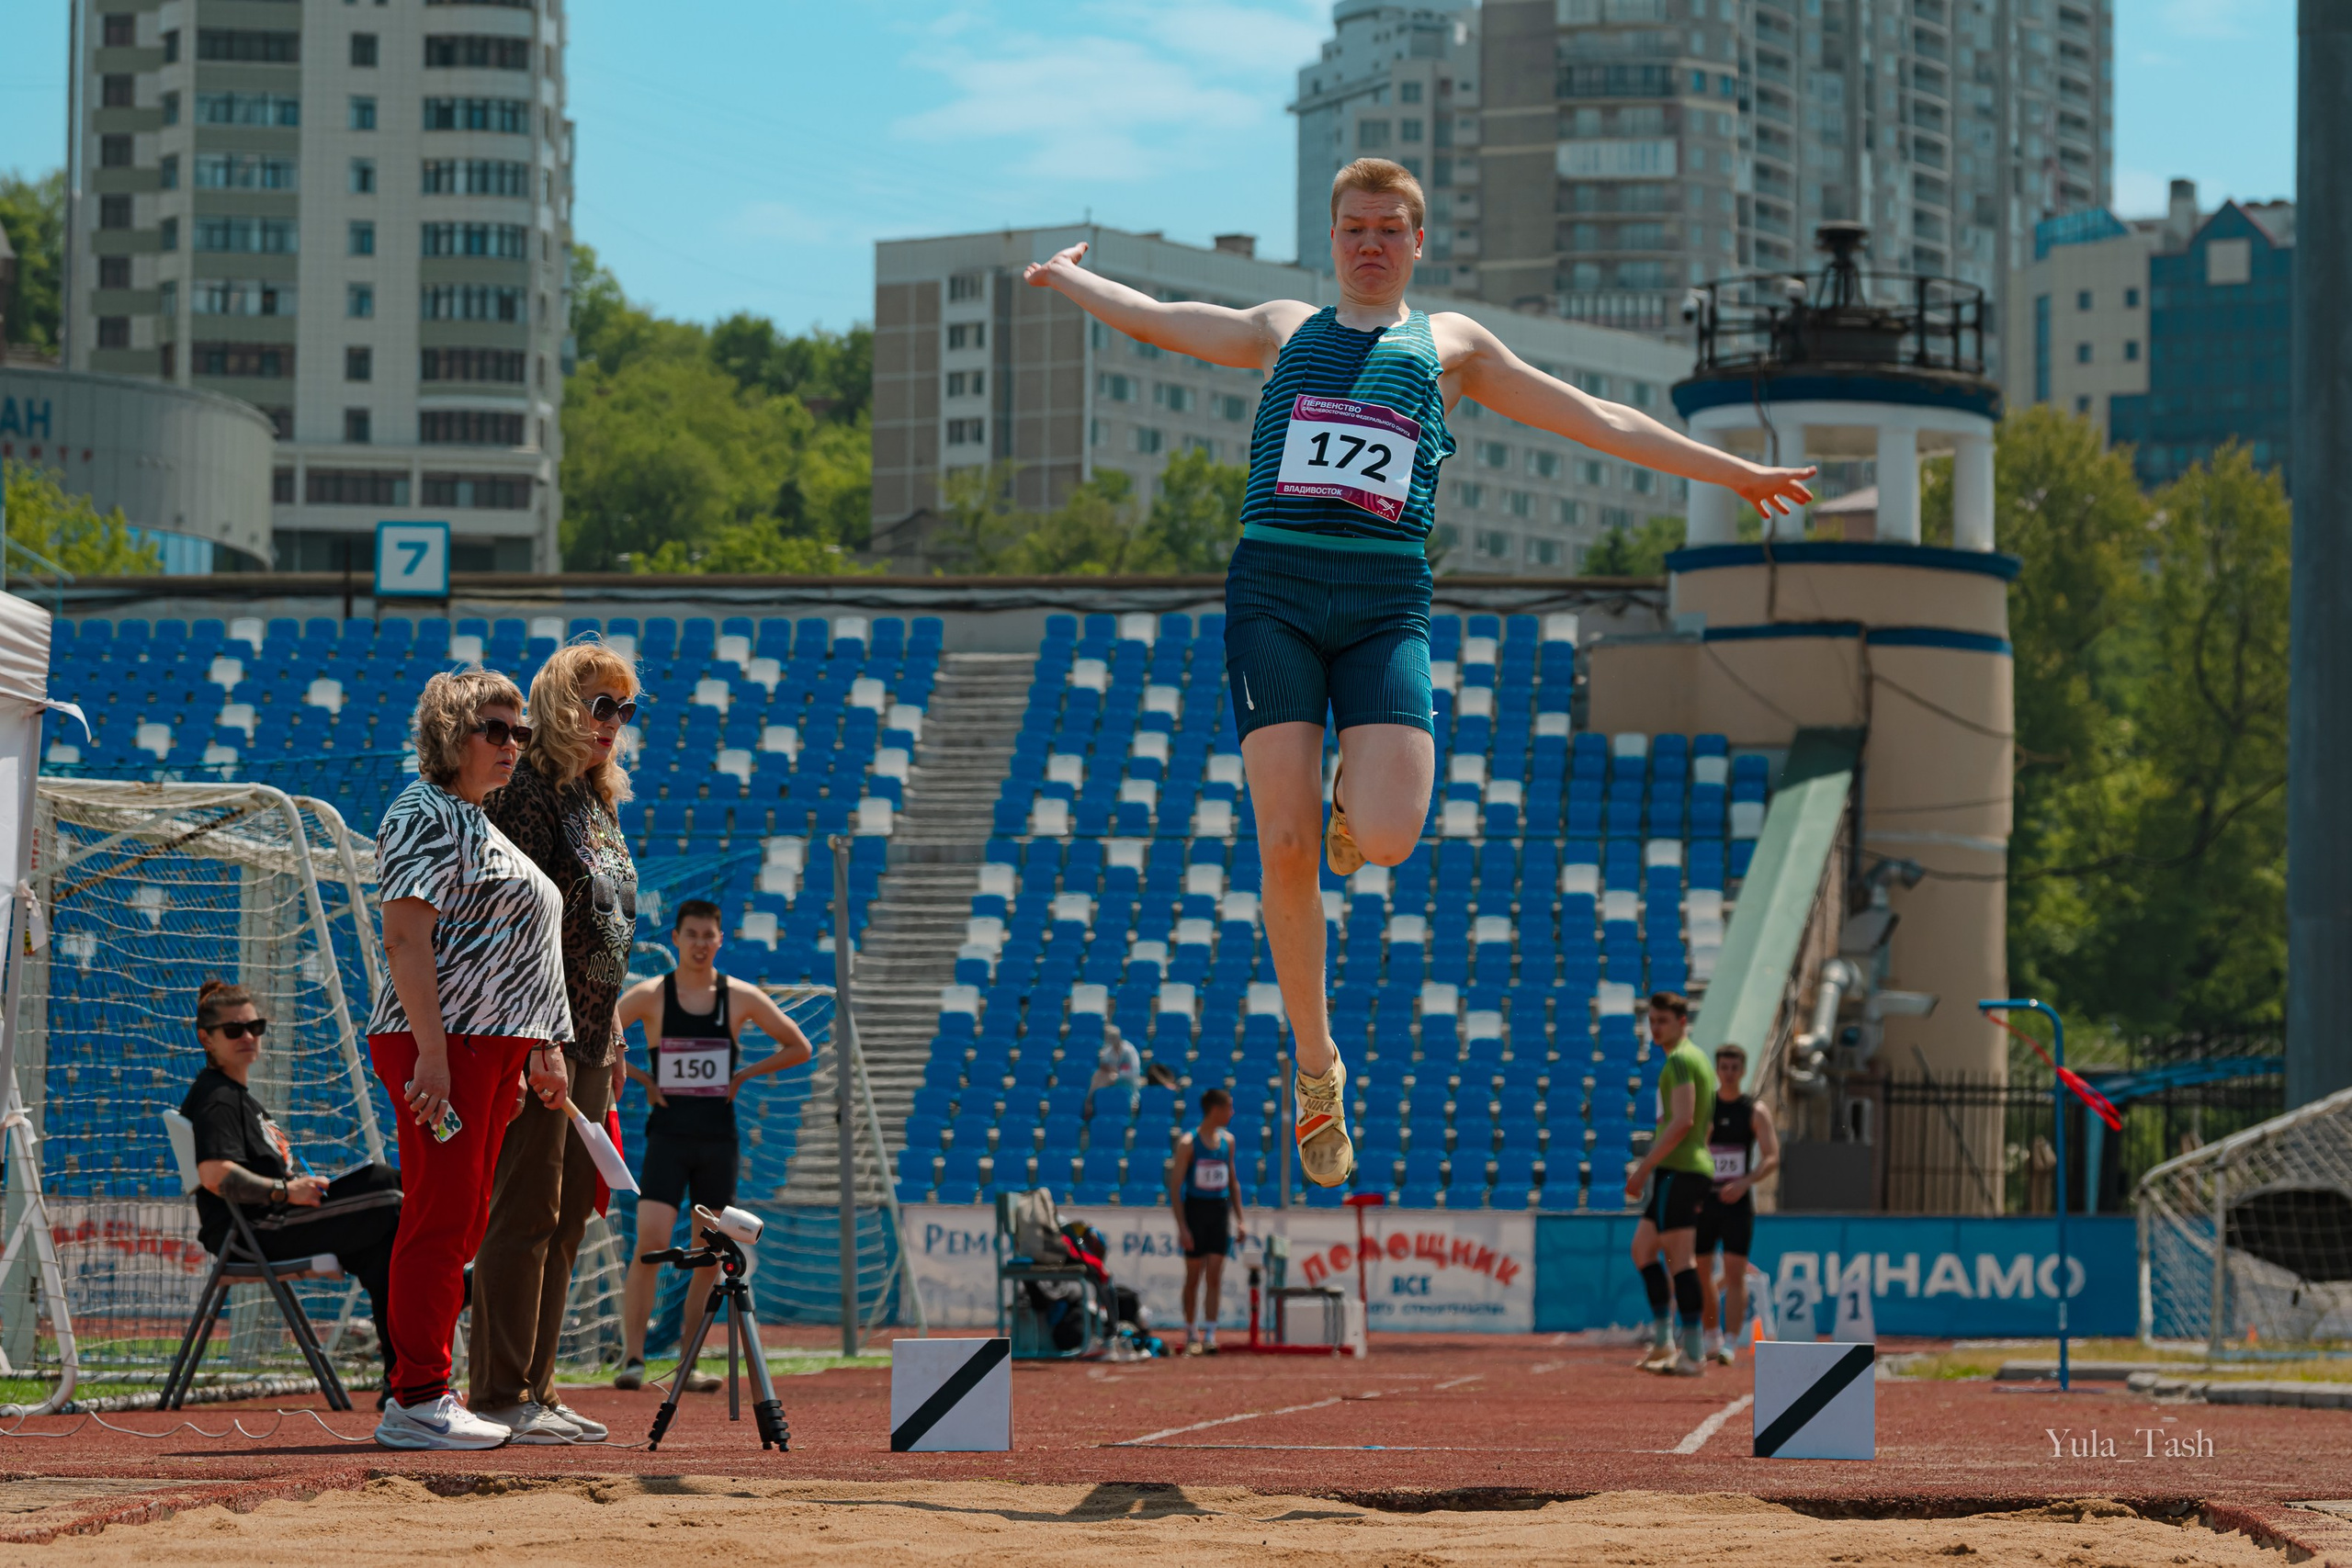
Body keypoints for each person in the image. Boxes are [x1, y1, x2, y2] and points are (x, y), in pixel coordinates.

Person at [1023, 160, 1815, 1190]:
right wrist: (1072, 279)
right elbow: (1163, 319)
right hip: (1273, 592)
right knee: (1286, 844)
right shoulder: (1281, 326)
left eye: (1388, 229)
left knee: (1387, 835)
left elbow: (1594, 418)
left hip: (1385, 600)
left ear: (1416, 243)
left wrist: (1735, 472)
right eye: (1352, 226)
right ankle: (1316, 1068)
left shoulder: (1449, 347)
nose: (1368, 243)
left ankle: (1360, 806)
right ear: (1333, 238)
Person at [367, 670, 573, 1450]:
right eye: (495, 728)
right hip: (443, 1043)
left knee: (464, 1216)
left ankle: (427, 1389)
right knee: (441, 1215)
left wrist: (534, 1047)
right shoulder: (423, 811)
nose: (512, 744)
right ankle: (417, 1395)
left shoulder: (478, 820)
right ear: (450, 734)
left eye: (519, 732)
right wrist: (434, 1055)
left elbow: (515, 949)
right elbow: (406, 937)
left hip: (487, 1048)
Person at [475, 642, 641, 1445]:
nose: (612, 723)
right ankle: (501, 1392)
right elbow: (515, 924)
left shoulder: (599, 799)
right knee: (526, 1209)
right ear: (558, 705)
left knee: (572, 1214)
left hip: (593, 1038)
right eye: (599, 705)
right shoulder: (529, 792)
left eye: (623, 709)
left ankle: (537, 1387)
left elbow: (606, 929)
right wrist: (538, 1034)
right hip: (539, 1029)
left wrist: (610, 1032)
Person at [611, 898, 813, 1392]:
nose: (701, 944)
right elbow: (601, 1028)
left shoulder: (739, 997)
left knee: (709, 1252)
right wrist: (638, 1076)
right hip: (667, 1137)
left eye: (710, 935)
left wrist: (743, 1074)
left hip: (717, 1140)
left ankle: (687, 1363)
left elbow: (799, 1045)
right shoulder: (653, 995)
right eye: (692, 934)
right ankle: (633, 1359)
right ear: (676, 939)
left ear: (720, 940)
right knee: (651, 1242)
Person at [180, 980, 403, 1402]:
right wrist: (286, 1191)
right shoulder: (217, 1098)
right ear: (206, 1039)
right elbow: (214, 1174)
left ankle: (404, 1381)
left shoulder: (240, 1097)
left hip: (269, 1222)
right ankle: (458, 1284)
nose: (248, 1037)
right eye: (234, 1030)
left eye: (255, 1027)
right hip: (253, 1231)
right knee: (385, 1189)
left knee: (384, 1255)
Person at [1623, 992, 1718, 1378]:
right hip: (1680, 1171)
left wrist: (1644, 1169)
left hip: (1678, 1171)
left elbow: (1682, 1122)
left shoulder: (1680, 1060)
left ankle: (1693, 1353)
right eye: (1652, 1020)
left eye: (1663, 1020)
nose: (1655, 1028)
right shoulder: (1694, 1059)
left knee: (1682, 1262)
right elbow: (1702, 1123)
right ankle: (1664, 1341)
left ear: (1682, 1022)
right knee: (1643, 1251)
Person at [1696, 1042, 1781, 1365]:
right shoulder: (1705, 1108)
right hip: (1706, 1201)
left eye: (1735, 1068)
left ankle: (1730, 1342)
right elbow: (1696, 1152)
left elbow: (1772, 1157)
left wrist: (1745, 1182)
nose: (1729, 1074)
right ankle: (1710, 1336)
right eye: (1724, 1068)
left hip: (1737, 1203)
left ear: (1742, 1071)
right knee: (1701, 1272)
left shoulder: (1754, 1110)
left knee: (1734, 1274)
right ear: (1717, 1071)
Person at [1167, 1087, 1247, 1355]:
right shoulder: (1189, 1143)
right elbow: (1175, 1186)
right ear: (1216, 1109)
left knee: (1215, 1276)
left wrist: (1240, 1219)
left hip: (1220, 1212)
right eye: (1229, 1107)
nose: (1232, 1113)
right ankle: (1191, 1333)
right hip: (1196, 1212)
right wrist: (1182, 1227)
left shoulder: (1229, 1141)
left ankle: (1210, 1334)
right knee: (1193, 1278)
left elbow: (1233, 1181)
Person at [1086, 1022, 1144, 1115]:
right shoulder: (1109, 1050)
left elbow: (1134, 1072)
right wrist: (1109, 1068)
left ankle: (1092, 1101)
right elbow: (1104, 1065)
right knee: (1098, 1074)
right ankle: (1089, 1100)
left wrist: (1117, 1074)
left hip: (1127, 1082)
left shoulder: (1129, 1051)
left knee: (1109, 1077)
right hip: (1112, 1080)